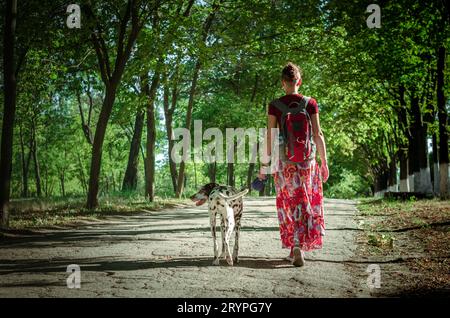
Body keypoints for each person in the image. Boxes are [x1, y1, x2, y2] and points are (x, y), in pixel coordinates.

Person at [258, 62, 329, 267]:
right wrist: (323, 161)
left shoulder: (275, 105)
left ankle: (294, 245)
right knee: (304, 200)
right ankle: (300, 245)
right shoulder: (310, 103)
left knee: (288, 203)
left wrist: (264, 167)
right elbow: (318, 134)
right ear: (299, 81)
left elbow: (270, 138)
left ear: (283, 83)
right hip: (307, 161)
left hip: (284, 163)